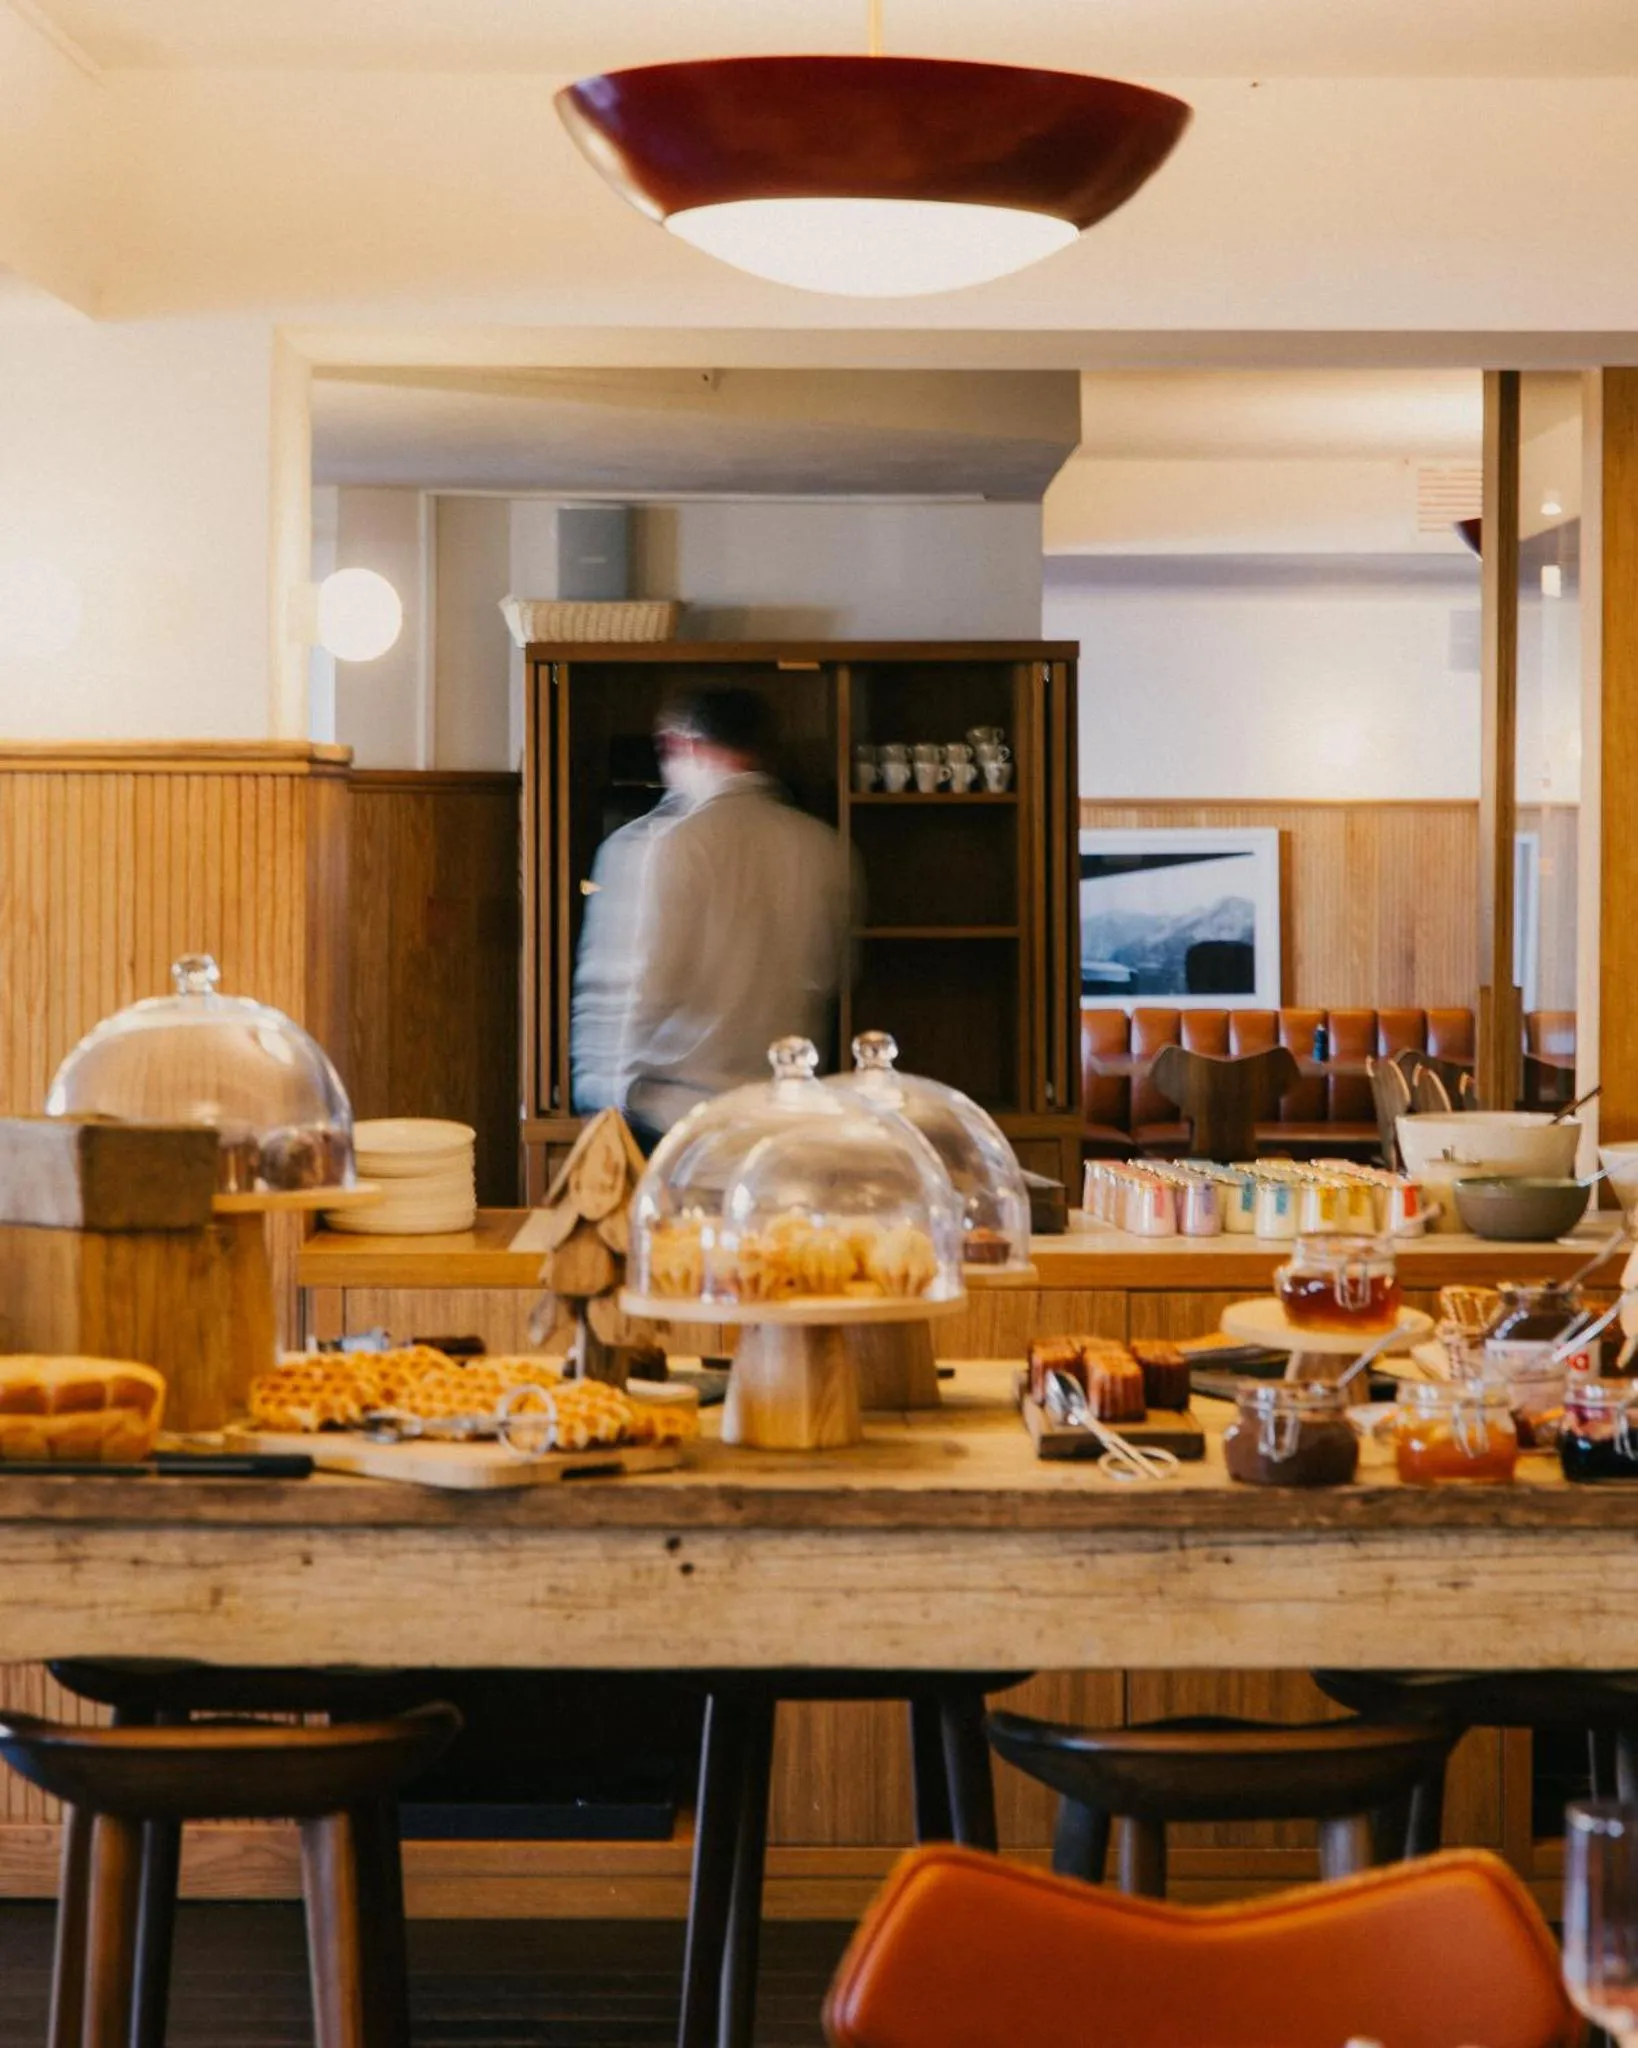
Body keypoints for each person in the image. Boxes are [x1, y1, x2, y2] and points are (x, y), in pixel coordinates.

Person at [571, 683, 852, 1146]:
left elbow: (633, 992)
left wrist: (598, 1103)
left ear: (681, 743)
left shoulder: (653, 845)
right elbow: (828, 976)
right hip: (780, 1123)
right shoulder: (822, 846)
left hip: (671, 1122)